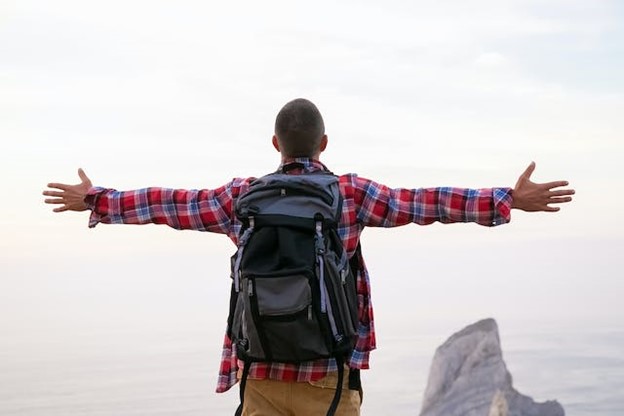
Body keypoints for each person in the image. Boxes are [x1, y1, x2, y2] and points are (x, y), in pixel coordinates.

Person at [43, 98, 574, 416]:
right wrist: (507, 199)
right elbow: (426, 203)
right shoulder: (350, 194)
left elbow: (166, 203)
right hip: (330, 380)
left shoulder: (239, 198)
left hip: (260, 377)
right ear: (324, 142)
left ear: (275, 142)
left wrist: (97, 200)